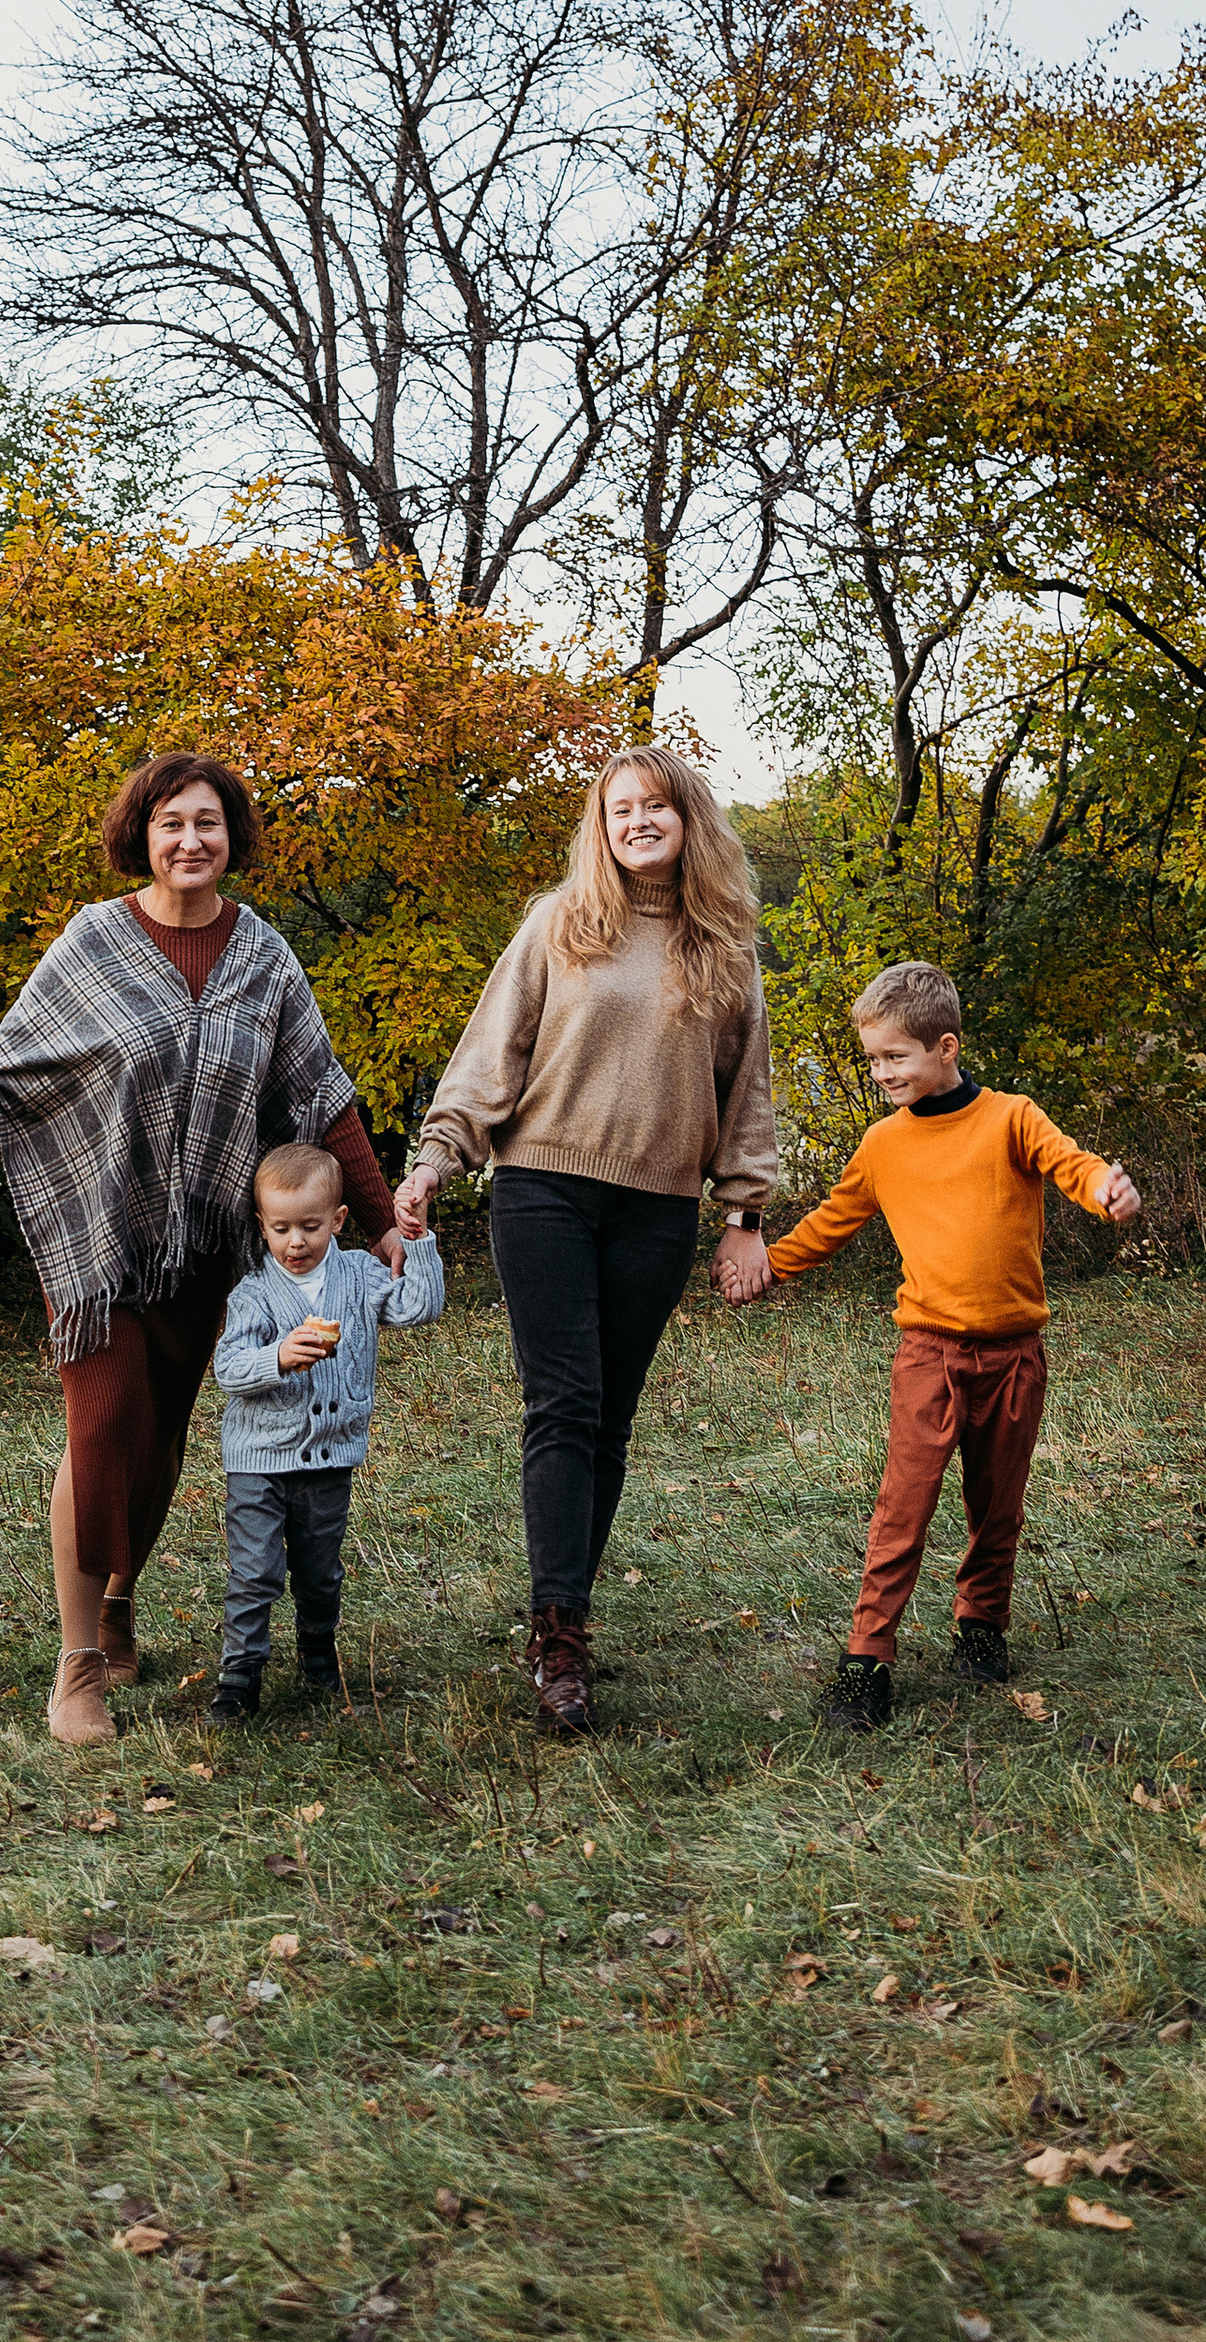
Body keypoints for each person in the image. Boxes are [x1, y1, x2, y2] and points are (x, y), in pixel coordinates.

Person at [0, 752, 404, 1747]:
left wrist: (381, 1227)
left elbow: (323, 1096)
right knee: (105, 1423)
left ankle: (119, 1601)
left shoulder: (265, 960)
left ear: (231, 837)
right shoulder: (95, 942)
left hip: (207, 1247)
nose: (189, 840)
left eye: (207, 822)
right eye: (171, 823)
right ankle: (76, 1667)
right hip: (99, 1239)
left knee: (158, 1435)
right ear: (142, 836)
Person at [391, 743, 775, 1738]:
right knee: (563, 1402)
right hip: (544, 1189)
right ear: (600, 829)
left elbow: (746, 1098)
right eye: (619, 809)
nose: (638, 821)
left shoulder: (724, 948)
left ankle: (567, 1612)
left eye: (657, 806)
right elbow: (492, 1054)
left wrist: (744, 1218)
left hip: (657, 1207)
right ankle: (558, 1639)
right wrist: (434, 1162)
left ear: (688, 820)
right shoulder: (560, 923)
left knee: (608, 1417)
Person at [752, 957, 1142, 1736]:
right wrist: (767, 1265)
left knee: (997, 1504)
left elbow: (1070, 1163)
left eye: (894, 1057)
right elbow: (831, 1222)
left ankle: (981, 1625)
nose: (880, 1074)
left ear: (946, 1048)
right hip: (928, 1354)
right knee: (903, 1506)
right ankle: (867, 1659)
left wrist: (1105, 1188)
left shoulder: (1011, 1118)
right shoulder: (883, 1146)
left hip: (1014, 1354)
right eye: (873, 1060)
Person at [207, 1141, 445, 1722]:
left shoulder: (359, 1275)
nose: (296, 1242)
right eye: (281, 1228)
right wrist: (277, 1357)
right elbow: (228, 1368)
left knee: (319, 1571)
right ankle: (240, 1675)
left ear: (337, 1220)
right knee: (255, 1570)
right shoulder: (254, 1292)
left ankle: (317, 1649)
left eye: (310, 1227)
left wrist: (417, 1240)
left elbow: (419, 1307)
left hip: (329, 1458)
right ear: (262, 1226)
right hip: (258, 1460)